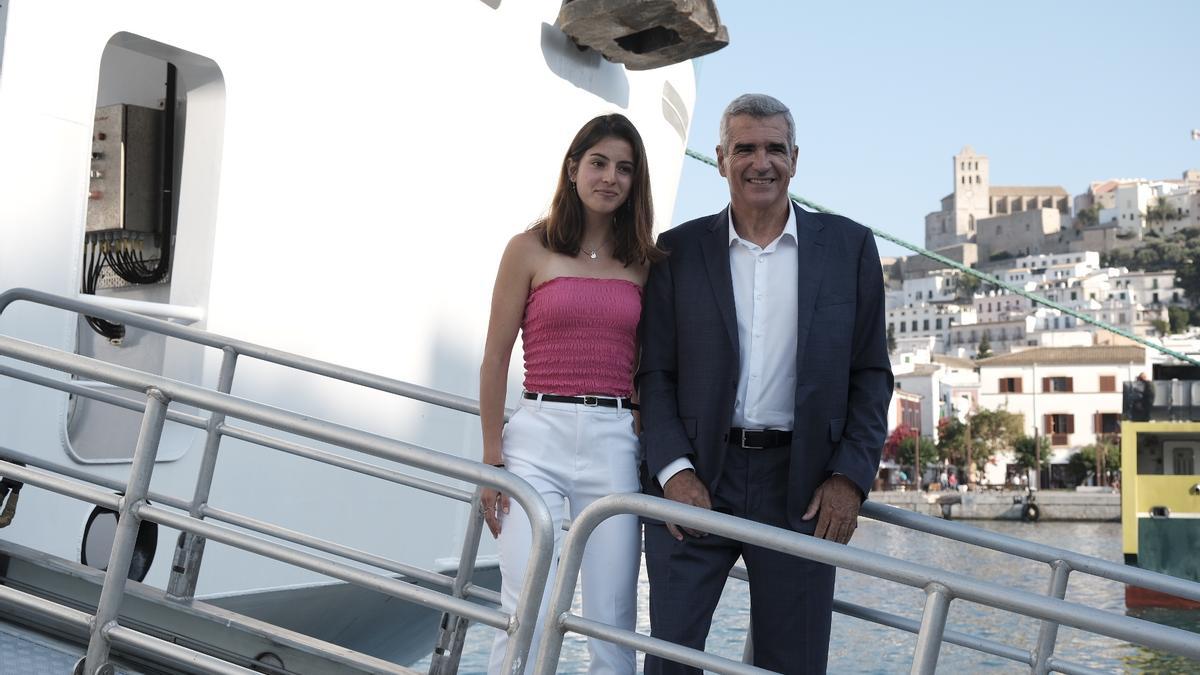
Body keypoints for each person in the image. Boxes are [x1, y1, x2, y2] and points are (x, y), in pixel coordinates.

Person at [637, 93, 893, 673]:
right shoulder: (675, 251)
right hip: (696, 479)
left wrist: (849, 479)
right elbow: (655, 373)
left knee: (794, 663)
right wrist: (673, 472)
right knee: (668, 659)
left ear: (795, 159)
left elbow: (871, 376)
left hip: (802, 490)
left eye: (774, 148)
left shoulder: (849, 248)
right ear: (722, 158)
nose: (761, 162)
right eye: (745, 148)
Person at [478, 113, 662, 674]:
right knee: (524, 604)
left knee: (612, 617)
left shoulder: (643, 263)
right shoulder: (528, 250)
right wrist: (491, 459)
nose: (610, 177)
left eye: (624, 169)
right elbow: (495, 358)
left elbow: (649, 366)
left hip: (612, 442)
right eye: (600, 163)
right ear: (574, 167)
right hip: (536, 437)